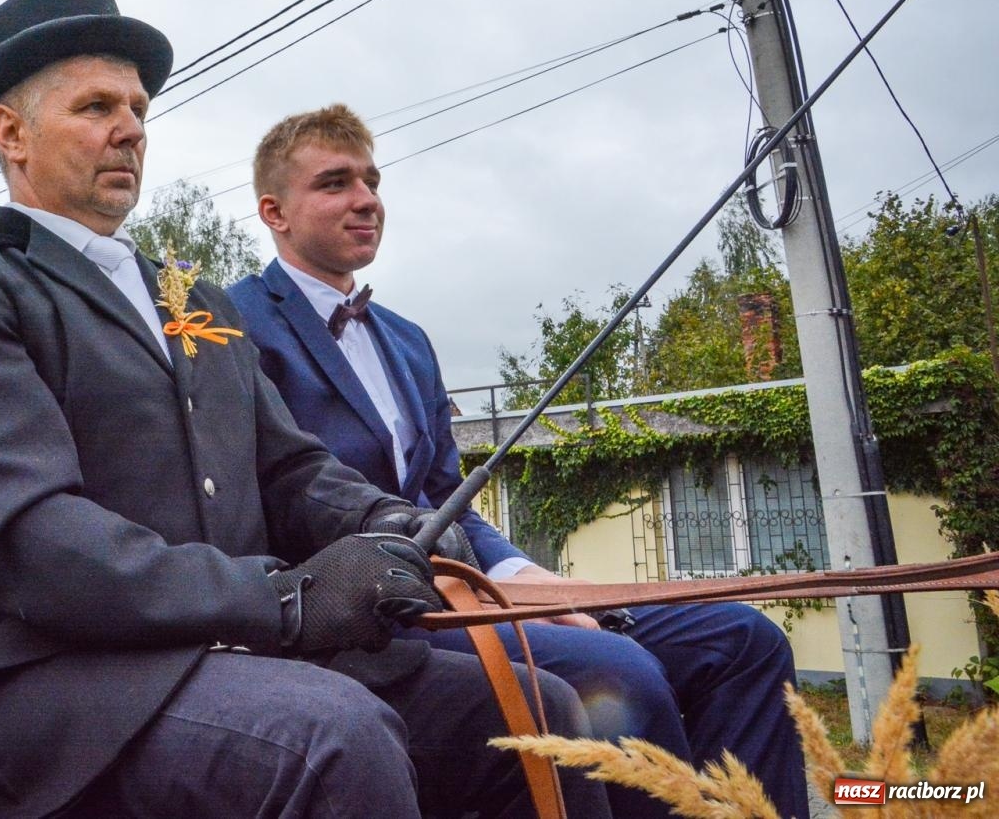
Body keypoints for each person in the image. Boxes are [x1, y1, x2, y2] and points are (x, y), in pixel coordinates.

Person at [0, 0, 611, 819]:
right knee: (337, 738)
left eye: (138, 109)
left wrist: (399, 526)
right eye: (96, 107)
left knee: (544, 714)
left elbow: (290, 470)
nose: (131, 129)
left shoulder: (194, 298)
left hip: (241, 659)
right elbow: (31, 536)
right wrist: (283, 599)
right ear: (12, 134)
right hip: (60, 687)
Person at [228, 103, 810, 819]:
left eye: (372, 181)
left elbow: (445, 494)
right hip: (373, 613)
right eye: (334, 183)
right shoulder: (234, 325)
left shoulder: (407, 340)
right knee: (619, 673)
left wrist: (523, 576)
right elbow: (272, 496)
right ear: (275, 212)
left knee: (744, 641)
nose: (366, 199)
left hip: (477, 588)